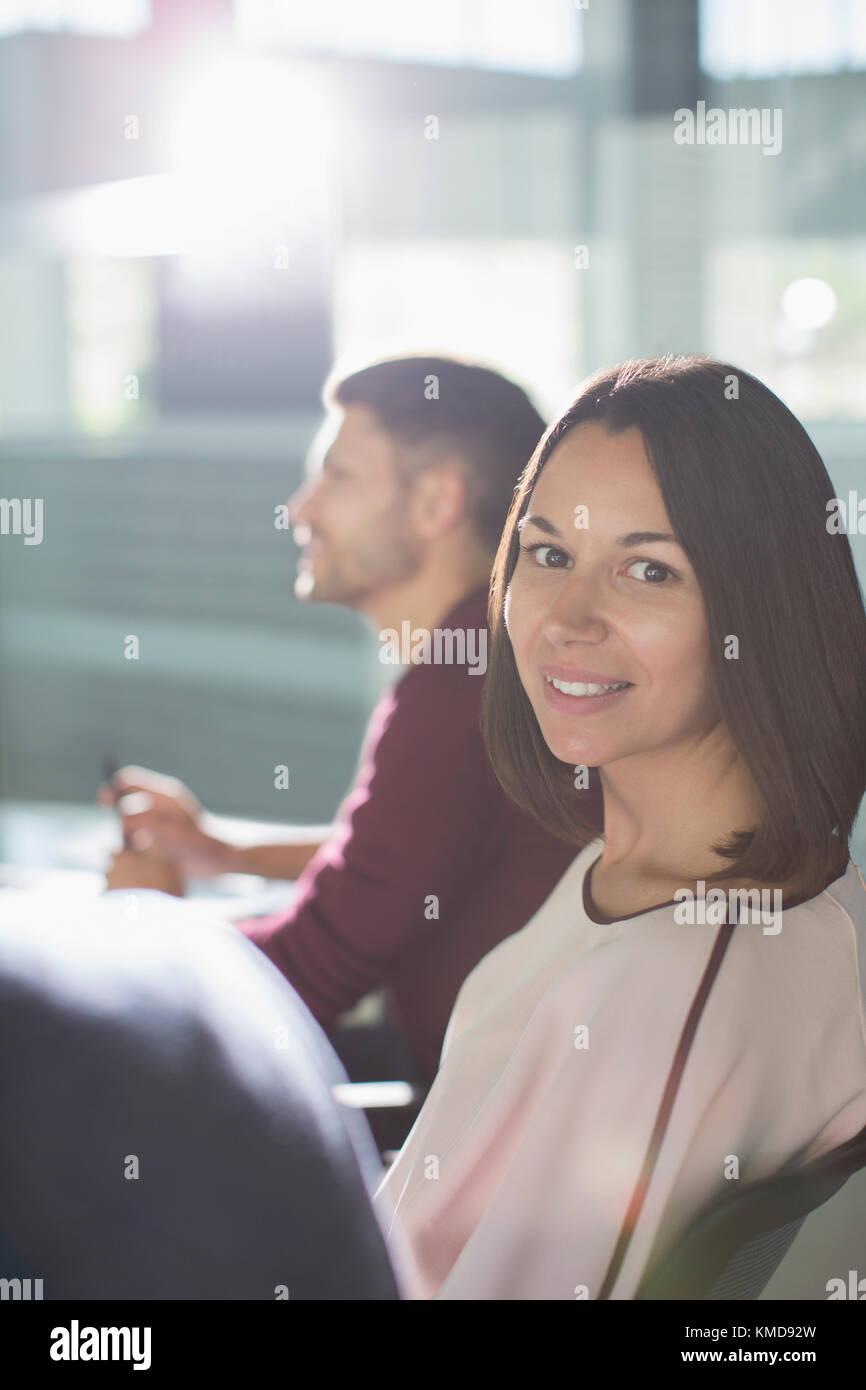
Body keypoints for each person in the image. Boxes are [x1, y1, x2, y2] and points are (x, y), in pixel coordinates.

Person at [373, 354, 866, 1299]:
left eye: (648, 570)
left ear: (759, 611)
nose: (567, 617)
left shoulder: (674, 980)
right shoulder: (629, 874)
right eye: (549, 553)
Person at [102, 356, 581, 1110]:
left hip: (474, 1152)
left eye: (339, 476)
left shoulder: (457, 698)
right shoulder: (490, 665)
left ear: (437, 504)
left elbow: (304, 978)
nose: (301, 508)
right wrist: (226, 853)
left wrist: (154, 926)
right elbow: (401, 868)